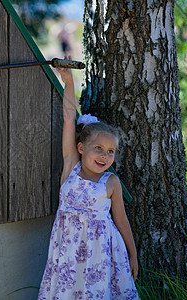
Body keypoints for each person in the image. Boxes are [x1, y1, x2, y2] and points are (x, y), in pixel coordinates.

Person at [37, 66, 139, 299]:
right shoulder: (72, 166)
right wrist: (69, 84)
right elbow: (69, 118)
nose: (104, 156)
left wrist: (133, 255)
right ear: (81, 149)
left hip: (100, 255)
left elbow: (121, 221)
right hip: (68, 253)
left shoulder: (111, 182)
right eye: (98, 149)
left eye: (111, 151)